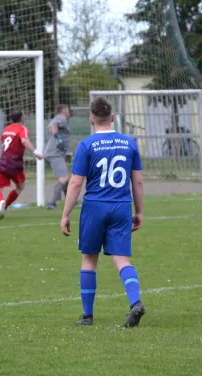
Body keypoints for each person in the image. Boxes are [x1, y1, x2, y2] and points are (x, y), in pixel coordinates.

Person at [61, 97, 145, 328]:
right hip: (121, 207)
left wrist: (65, 214)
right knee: (121, 259)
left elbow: (76, 184)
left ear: (91, 119)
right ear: (112, 118)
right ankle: (135, 301)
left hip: (95, 207)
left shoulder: (86, 146)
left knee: (89, 259)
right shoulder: (129, 143)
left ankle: (87, 316)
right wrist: (139, 211)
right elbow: (137, 181)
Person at [0, 110, 42, 220]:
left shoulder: (5, 130)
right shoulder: (22, 129)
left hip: (3, 161)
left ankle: (0, 202)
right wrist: (36, 153)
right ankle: (5, 205)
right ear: (21, 118)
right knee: (20, 187)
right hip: (15, 163)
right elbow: (24, 140)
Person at [43, 105, 71, 210]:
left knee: (65, 178)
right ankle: (52, 203)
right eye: (68, 111)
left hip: (52, 153)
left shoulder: (55, 119)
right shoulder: (60, 119)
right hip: (55, 153)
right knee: (64, 178)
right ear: (64, 111)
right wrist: (59, 140)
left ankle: (71, 200)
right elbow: (53, 126)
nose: (69, 113)